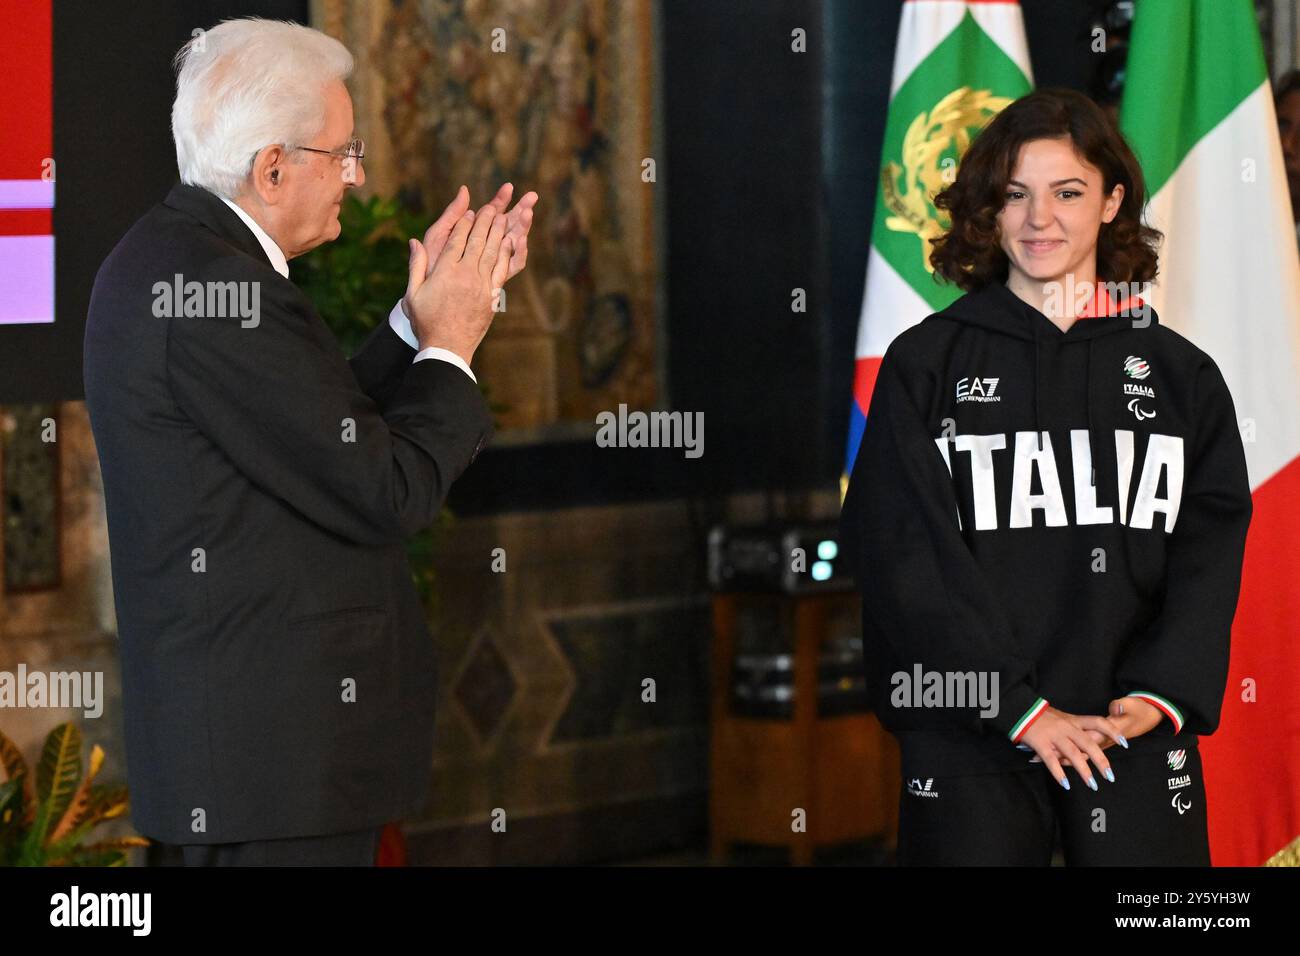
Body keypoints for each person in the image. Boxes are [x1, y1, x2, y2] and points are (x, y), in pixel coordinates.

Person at [83, 18, 536, 865]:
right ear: (273, 166)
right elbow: (385, 486)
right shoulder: (222, 288)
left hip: (250, 762)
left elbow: (310, 435)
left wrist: (411, 325)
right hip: (275, 765)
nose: (357, 176)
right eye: (344, 151)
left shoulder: (172, 259)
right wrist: (453, 345)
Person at [839, 87, 1252, 865]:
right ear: (988, 211)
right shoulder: (926, 366)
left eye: (1068, 193)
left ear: (1112, 201)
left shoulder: (1179, 376)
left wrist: (1161, 693)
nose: (1040, 220)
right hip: (973, 736)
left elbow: (1210, 550)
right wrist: (1018, 707)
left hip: (1126, 728)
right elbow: (904, 560)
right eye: (1015, 195)